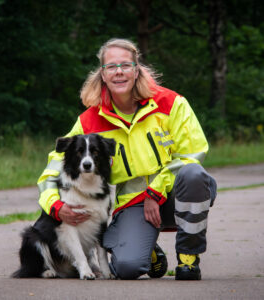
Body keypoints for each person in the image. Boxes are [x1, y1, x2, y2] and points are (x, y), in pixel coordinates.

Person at [37, 38, 217, 280]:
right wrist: (55, 206)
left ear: (137, 69)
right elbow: (53, 168)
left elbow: (192, 154)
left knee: (194, 175)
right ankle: (148, 251)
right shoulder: (90, 121)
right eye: (111, 67)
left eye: (125, 65)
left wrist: (155, 191)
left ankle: (188, 258)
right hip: (134, 204)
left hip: (174, 191)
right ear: (102, 74)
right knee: (127, 268)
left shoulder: (172, 103)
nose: (119, 72)